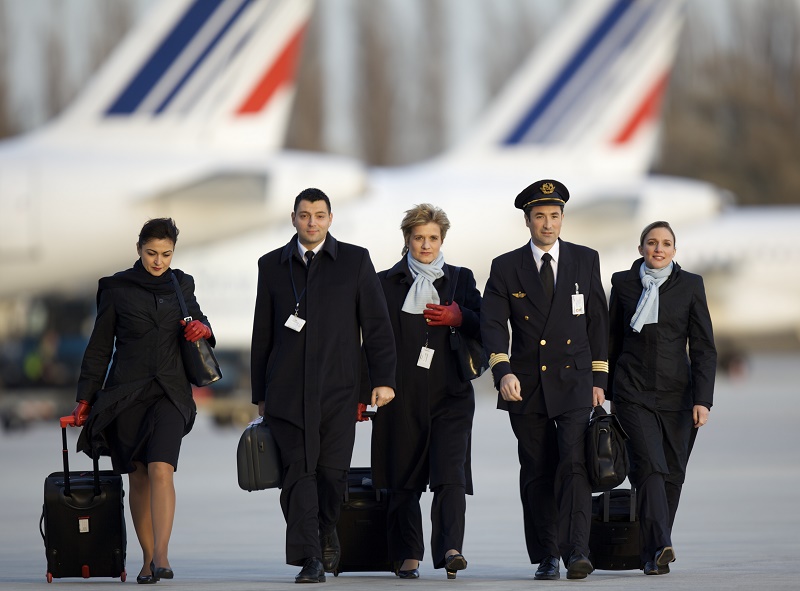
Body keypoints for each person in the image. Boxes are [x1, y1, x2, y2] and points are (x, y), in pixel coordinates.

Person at [250, 187, 397, 584]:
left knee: (332, 475)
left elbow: (377, 327)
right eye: (304, 215)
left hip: (339, 390)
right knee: (298, 475)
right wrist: (259, 394)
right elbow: (261, 332)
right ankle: (309, 557)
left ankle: (326, 526)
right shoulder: (272, 266)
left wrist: (382, 380)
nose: (311, 221)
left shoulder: (355, 261)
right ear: (293, 218)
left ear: (331, 218)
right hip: (285, 392)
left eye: (319, 214)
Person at [70, 217, 214, 584]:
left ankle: (163, 555)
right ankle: (148, 559)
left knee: (161, 468)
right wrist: (85, 399)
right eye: (151, 253)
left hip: (170, 393)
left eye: (166, 254)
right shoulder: (116, 288)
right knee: (139, 477)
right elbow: (100, 348)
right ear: (139, 249)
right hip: (127, 393)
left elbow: (200, 322)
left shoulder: (182, 284)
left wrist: (204, 328)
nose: (158, 261)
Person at [481, 180, 608, 581]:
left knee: (573, 465)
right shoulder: (505, 267)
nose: (548, 224)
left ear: (563, 219)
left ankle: (577, 553)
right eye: (540, 217)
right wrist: (503, 371)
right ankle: (546, 554)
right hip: (527, 386)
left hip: (575, 381)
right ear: (527, 221)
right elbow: (492, 324)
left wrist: (600, 378)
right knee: (536, 468)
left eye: (554, 216)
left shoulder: (585, 260)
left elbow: (597, 321)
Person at [365, 204, 480, 580]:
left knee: (450, 475)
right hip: (400, 393)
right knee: (402, 479)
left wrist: (460, 316)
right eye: (419, 238)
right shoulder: (383, 283)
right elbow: (370, 340)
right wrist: (365, 389)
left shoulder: (461, 279)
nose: (426, 245)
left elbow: (485, 326)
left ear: (442, 239)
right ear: (407, 240)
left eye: (433, 238)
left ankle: (450, 549)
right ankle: (407, 553)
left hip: (451, 394)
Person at [607, 220, 716, 576]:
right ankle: (660, 545)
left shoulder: (690, 286)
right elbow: (610, 341)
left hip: (679, 396)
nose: (658, 249)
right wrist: (604, 390)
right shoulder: (622, 284)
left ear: (674, 250)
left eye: (666, 243)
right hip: (632, 392)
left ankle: (653, 554)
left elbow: (703, 347)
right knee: (650, 468)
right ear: (640, 249)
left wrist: (703, 399)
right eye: (651, 243)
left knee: (673, 474)